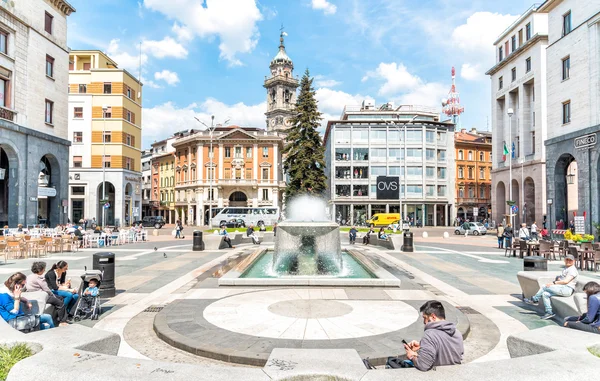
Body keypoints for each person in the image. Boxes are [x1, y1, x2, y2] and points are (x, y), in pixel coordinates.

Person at [403, 300, 464, 371]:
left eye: (425, 318)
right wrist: (422, 345)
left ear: (433, 317)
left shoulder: (429, 335)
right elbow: (446, 352)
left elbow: (423, 365)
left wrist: (411, 356)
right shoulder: (457, 333)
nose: (424, 322)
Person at [524, 254, 579, 320]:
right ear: (564, 260)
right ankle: (549, 312)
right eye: (567, 259)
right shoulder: (567, 268)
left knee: (545, 286)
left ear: (574, 261)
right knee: (545, 294)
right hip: (562, 288)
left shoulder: (572, 270)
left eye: (570, 260)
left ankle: (535, 299)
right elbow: (563, 280)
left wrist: (553, 283)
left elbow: (566, 281)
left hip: (567, 289)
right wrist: (559, 279)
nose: (568, 261)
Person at [25, 262, 69, 326]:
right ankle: (62, 321)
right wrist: (53, 295)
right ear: (41, 270)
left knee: (60, 298)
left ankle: (59, 316)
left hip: (32, 295)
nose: (44, 270)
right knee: (60, 302)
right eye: (44, 269)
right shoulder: (40, 278)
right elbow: (46, 289)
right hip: (42, 296)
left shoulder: (29, 276)